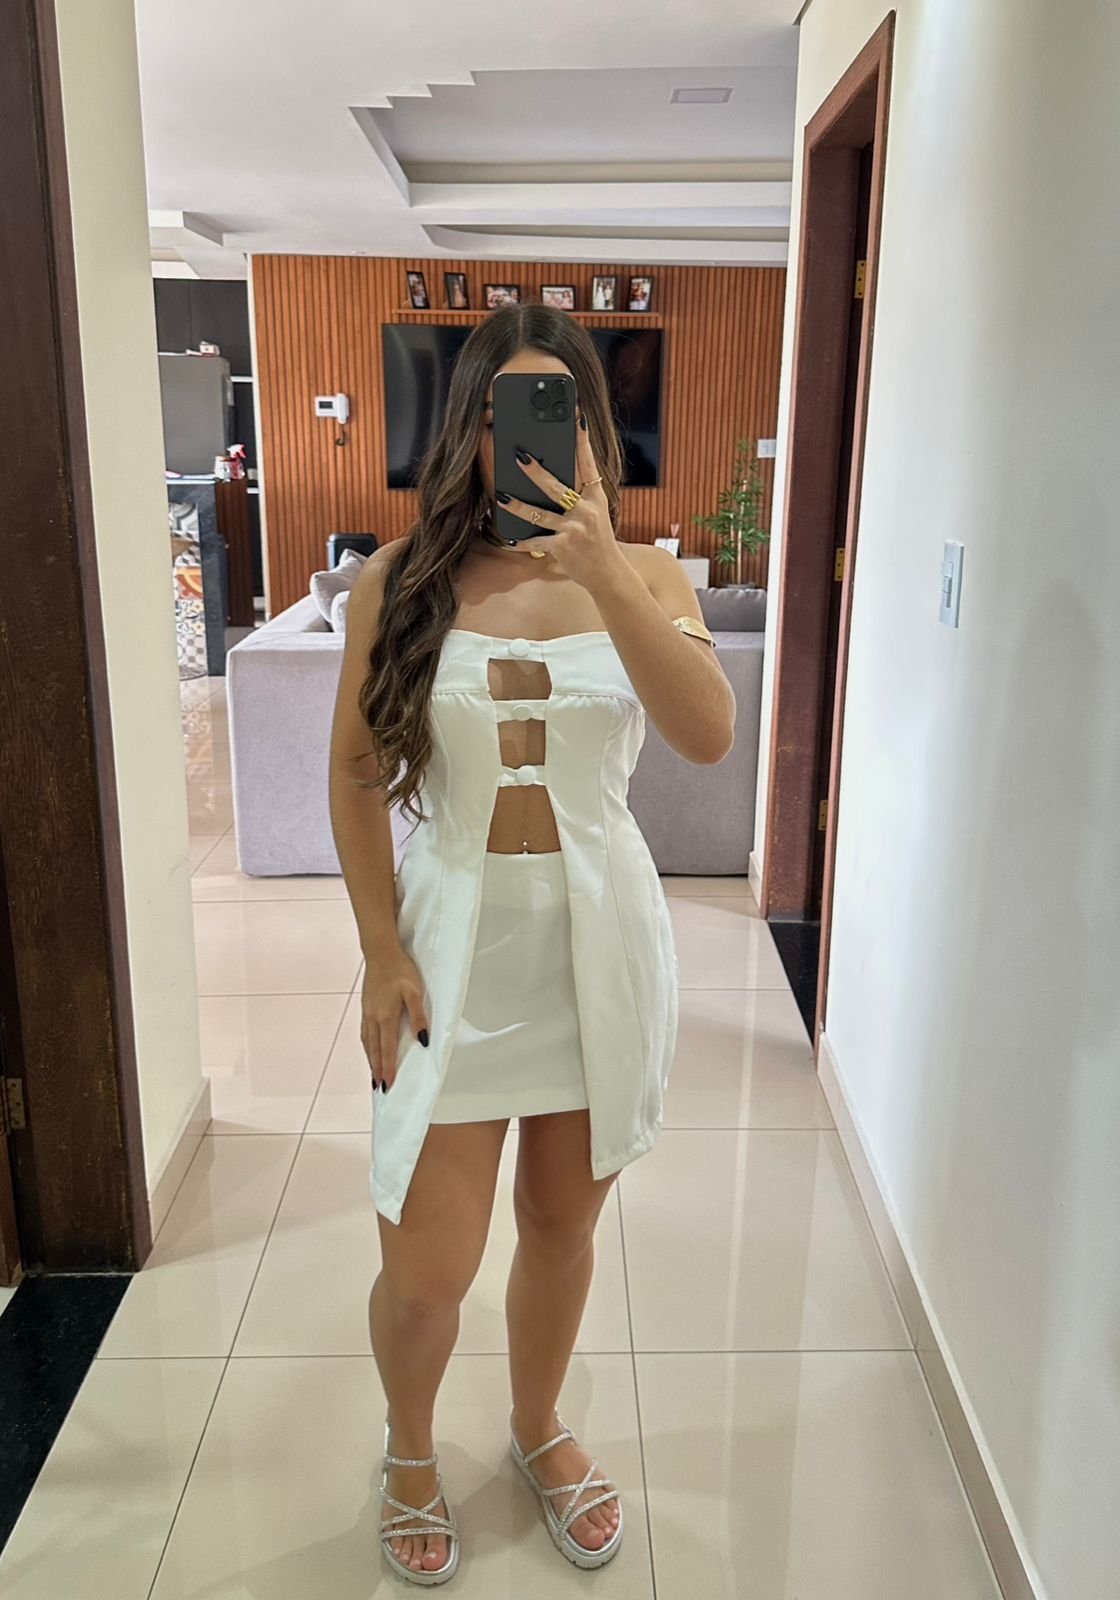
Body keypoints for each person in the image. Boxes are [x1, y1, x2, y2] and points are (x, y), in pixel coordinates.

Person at [329, 304, 735, 1584]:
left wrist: (604, 569)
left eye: (557, 412)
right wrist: (379, 949)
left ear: (592, 432)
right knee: (427, 1267)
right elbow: (355, 773)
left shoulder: (649, 576)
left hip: (598, 953)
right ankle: (407, 1445)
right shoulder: (399, 582)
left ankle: (537, 1423)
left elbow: (708, 735)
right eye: (505, 413)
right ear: (470, 429)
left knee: (561, 1225)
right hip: (450, 956)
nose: (529, 439)